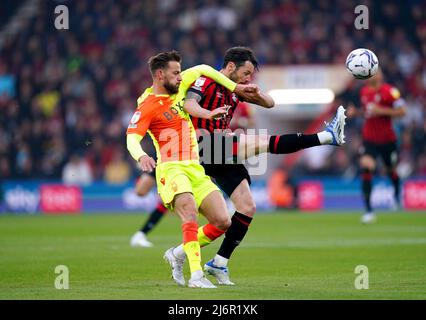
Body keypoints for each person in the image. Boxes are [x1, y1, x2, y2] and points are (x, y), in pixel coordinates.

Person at [165, 46, 347, 285]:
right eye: (246, 73)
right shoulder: (206, 81)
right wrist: (208, 116)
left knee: (247, 207)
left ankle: (215, 262)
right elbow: (189, 105)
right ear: (230, 67)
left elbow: (270, 104)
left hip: (221, 151)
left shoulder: (236, 90)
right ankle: (325, 137)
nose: (248, 78)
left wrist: (255, 93)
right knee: (261, 143)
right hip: (199, 146)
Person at [126, 50, 255, 288]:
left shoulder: (181, 84)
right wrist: (141, 155)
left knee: (223, 221)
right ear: (160, 75)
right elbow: (132, 137)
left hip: (195, 167)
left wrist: (233, 89)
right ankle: (197, 276)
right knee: (189, 213)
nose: (181, 77)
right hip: (171, 168)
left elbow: (206, 68)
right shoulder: (147, 106)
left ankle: (177, 255)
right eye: (176, 73)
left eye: (180, 72)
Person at [347, 70, 406, 224]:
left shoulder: (390, 92)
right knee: (366, 167)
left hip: (387, 140)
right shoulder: (363, 91)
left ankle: (397, 196)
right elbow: (366, 112)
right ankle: (368, 211)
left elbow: (402, 111)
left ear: (380, 76)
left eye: (374, 72)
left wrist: (383, 111)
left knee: (390, 170)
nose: (371, 75)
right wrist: (356, 112)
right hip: (369, 140)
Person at [129, 169, 168, 248]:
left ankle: (140, 235)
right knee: (140, 191)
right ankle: (140, 235)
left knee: (166, 201)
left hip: (176, 164)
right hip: (160, 161)